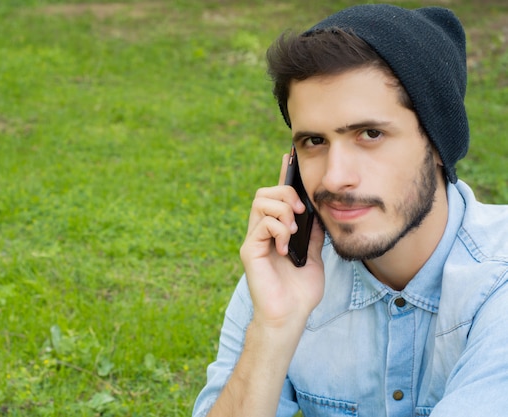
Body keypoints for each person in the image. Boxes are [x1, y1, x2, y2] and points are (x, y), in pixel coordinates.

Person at [192, 4, 508, 417]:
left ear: (437, 143)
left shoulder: (496, 283)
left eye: (370, 134)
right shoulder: (286, 272)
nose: (335, 178)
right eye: (314, 142)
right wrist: (274, 328)